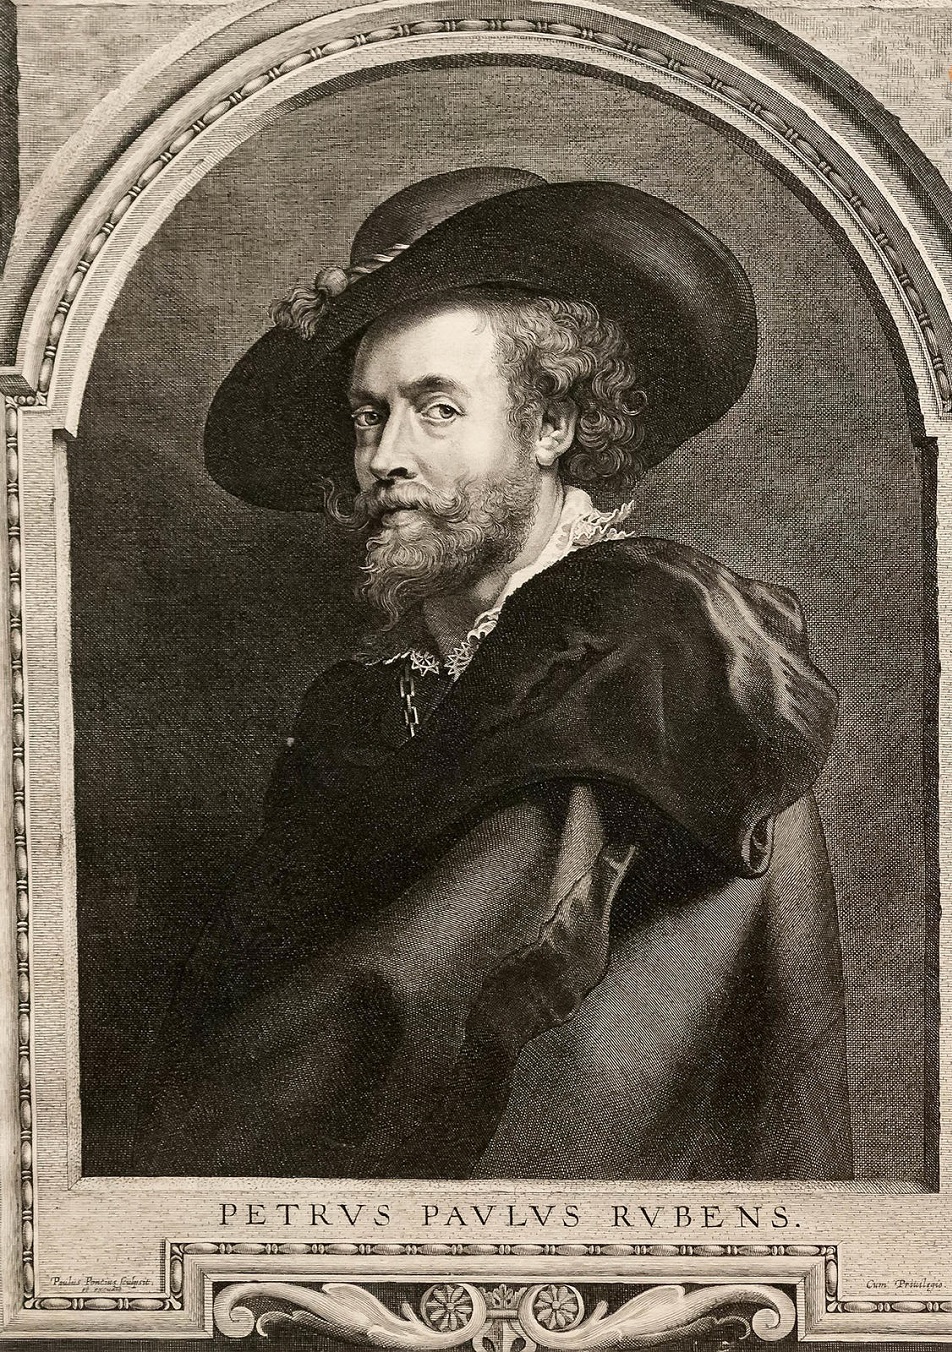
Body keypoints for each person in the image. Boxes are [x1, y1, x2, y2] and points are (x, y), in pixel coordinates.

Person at [133, 168, 853, 1180]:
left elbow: (426, 993)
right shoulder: (371, 694)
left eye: (436, 408)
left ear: (553, 423)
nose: (383, 457)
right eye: (367, 415)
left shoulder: (654, 646)